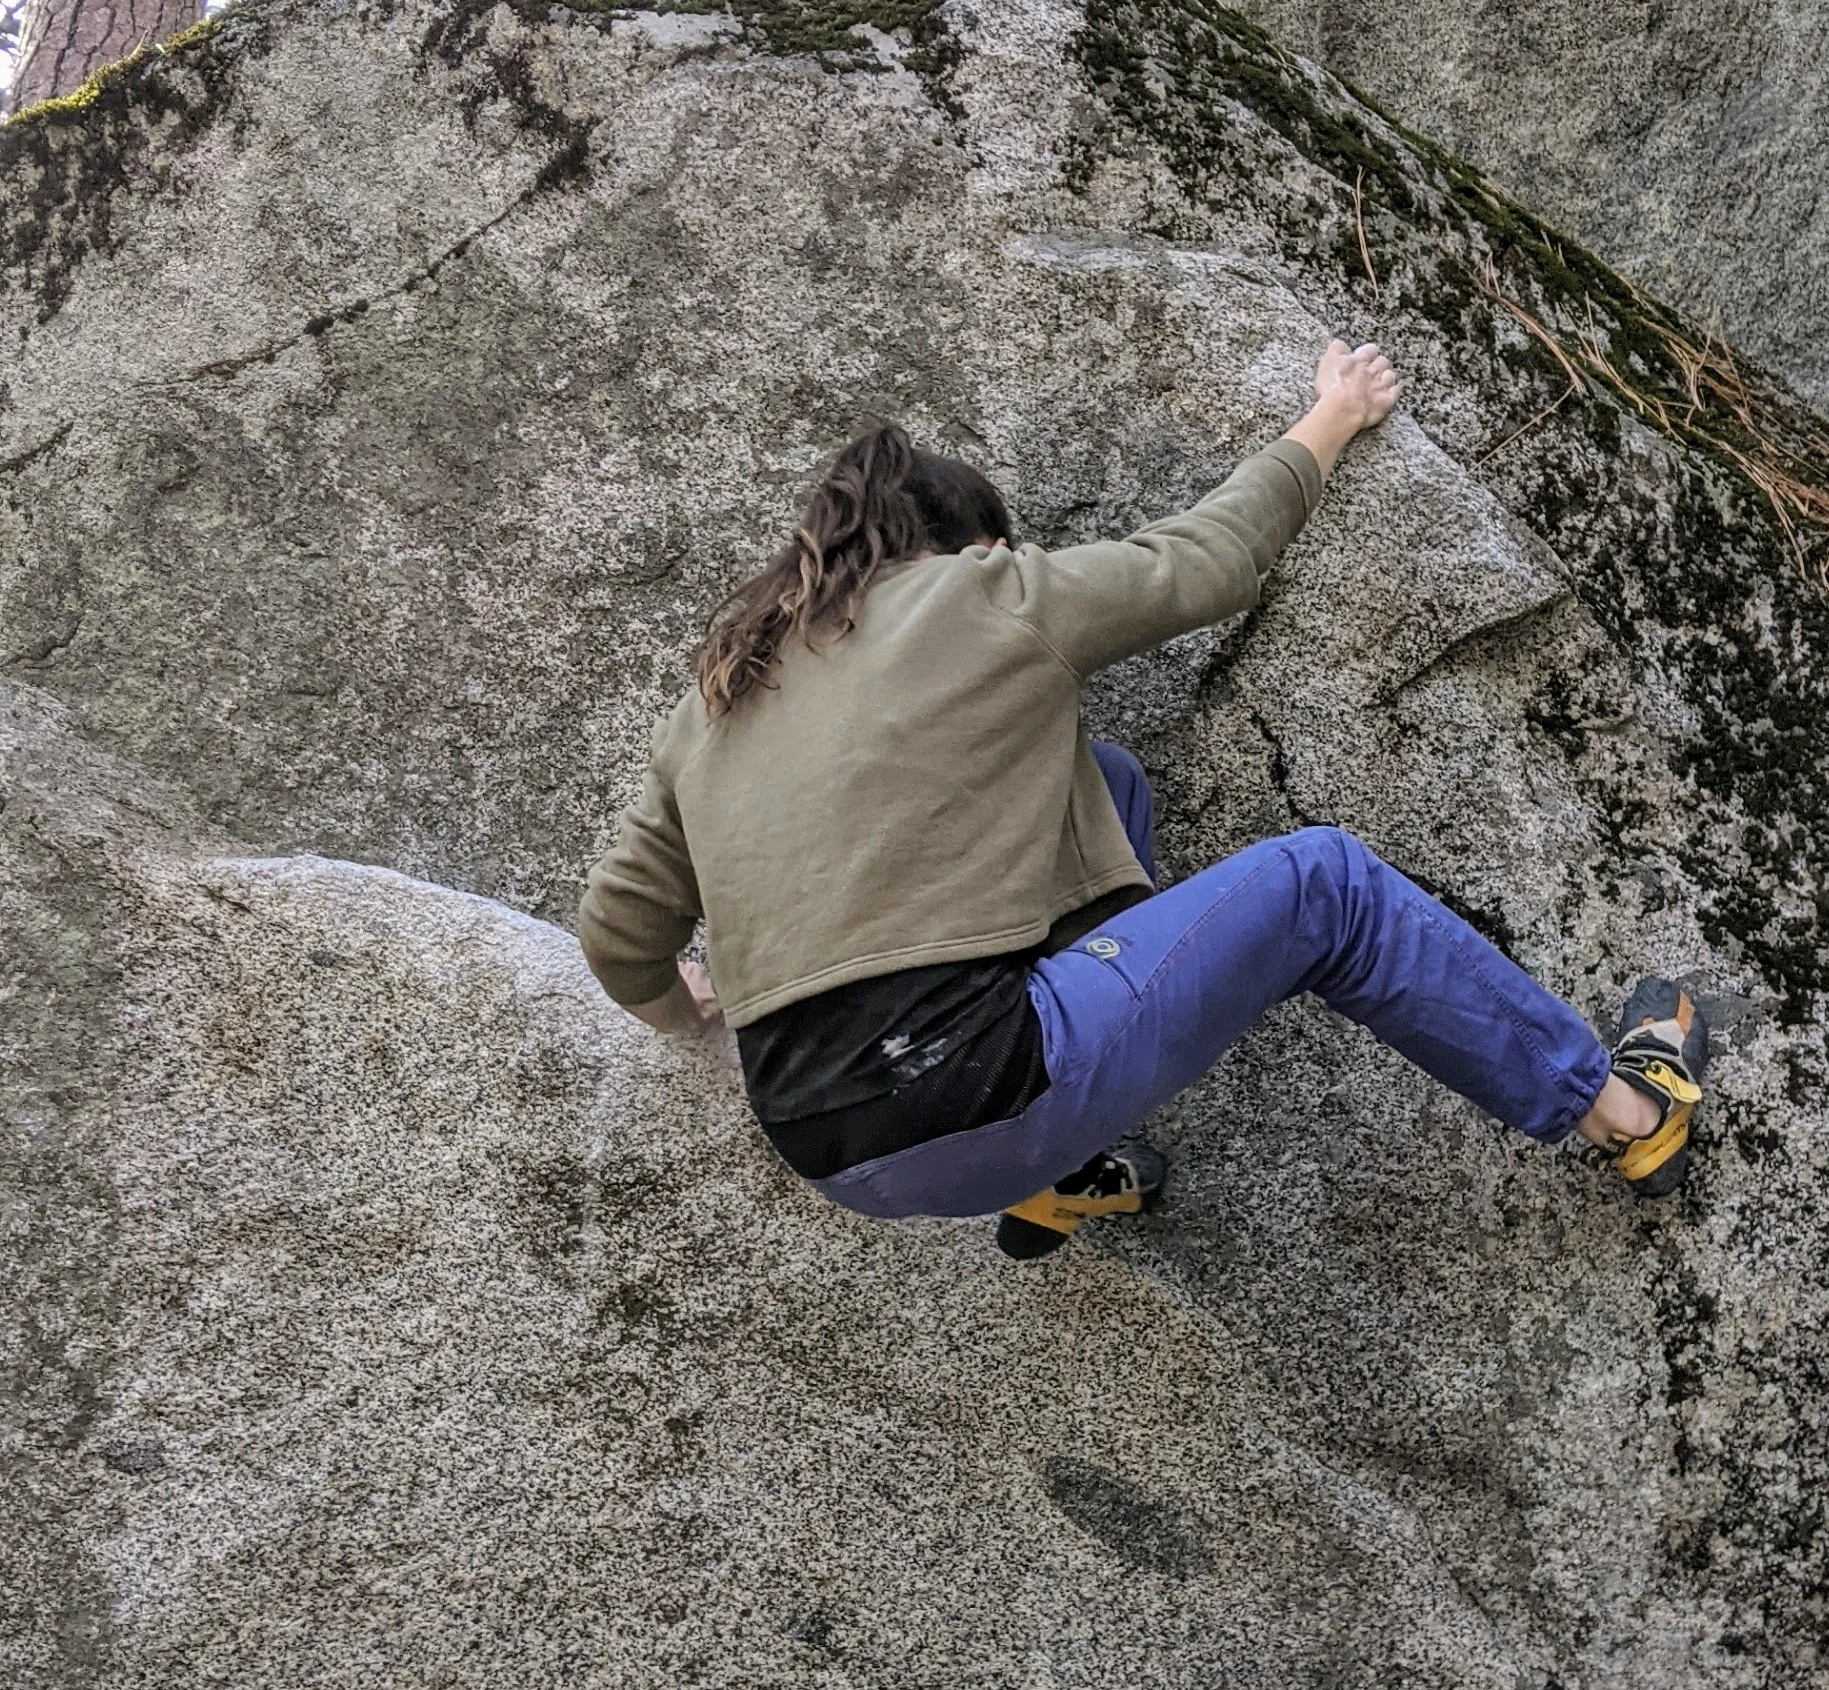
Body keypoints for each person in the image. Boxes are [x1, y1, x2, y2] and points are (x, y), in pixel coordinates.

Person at [577, 341, 1709, 1257]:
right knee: (1324, 883)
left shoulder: (720, 697)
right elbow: (1208, 560)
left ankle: (1063, 1177)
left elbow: (618, 934)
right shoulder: (980, 592)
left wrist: (687, 1008)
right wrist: (1332, 418)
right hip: (986, 1090)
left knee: (1103, 782)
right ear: (975, 546)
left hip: (826, 1152)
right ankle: (1626, 1112)